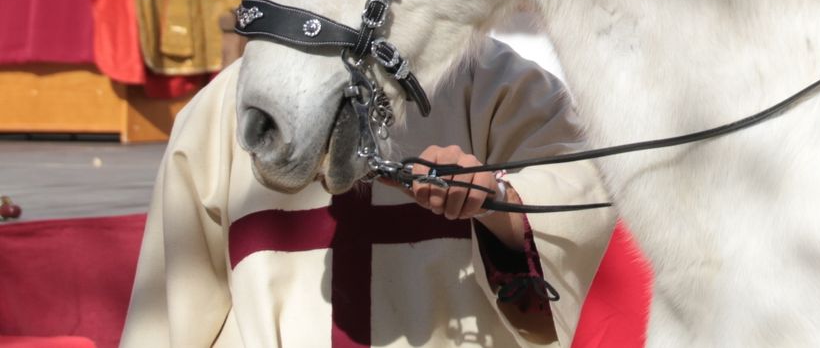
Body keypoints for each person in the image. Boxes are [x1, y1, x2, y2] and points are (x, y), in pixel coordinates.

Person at [121, 39, 625, 347]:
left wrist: (497, 199)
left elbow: (585, 211)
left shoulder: (498, 84)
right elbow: (173, 312)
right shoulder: (229, 108)